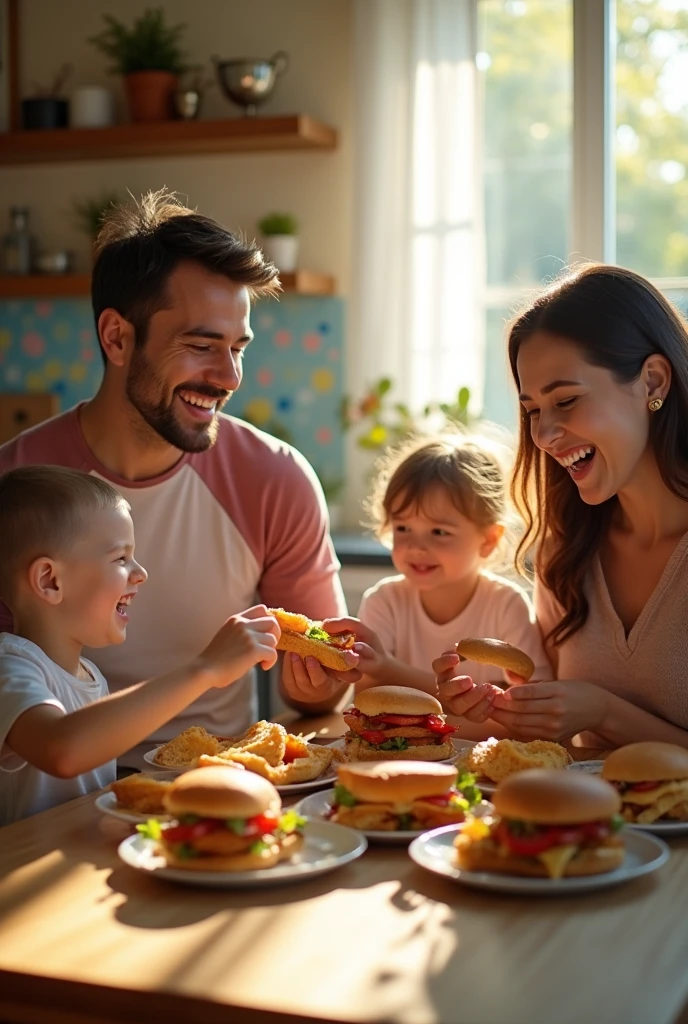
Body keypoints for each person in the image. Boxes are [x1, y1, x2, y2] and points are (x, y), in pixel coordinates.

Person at [0, 190, 357, 768]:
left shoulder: (274, 478)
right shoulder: (14, 484)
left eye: (238, 348)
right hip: (54, 804)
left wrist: (321, 678)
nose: (229, 377)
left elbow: (314, 692)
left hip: (217, 786)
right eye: (200, 346)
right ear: (117, 338)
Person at [437, 263, 688, 748]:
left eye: (567, 400)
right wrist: (501, 709)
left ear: (653, 383)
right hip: (579, 825)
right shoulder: (566, 552)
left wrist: (606, 714)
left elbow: (589, 711)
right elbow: (552, 720)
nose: (544, 435)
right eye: (533, 410)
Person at [0, 466, 281, 826]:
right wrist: (205, 668)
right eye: (120, 558)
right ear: (50, 580)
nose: (140, 573)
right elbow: (63, 750)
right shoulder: (10, 670)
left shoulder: (90, 676)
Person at [285, 433, 550, 738]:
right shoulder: (385, 600)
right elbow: (372, 708)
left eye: (438, 531)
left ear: (488, 540)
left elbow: (533, 716)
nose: (416, 546)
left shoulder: (507, 604)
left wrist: (389, 670)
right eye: (403, 528)